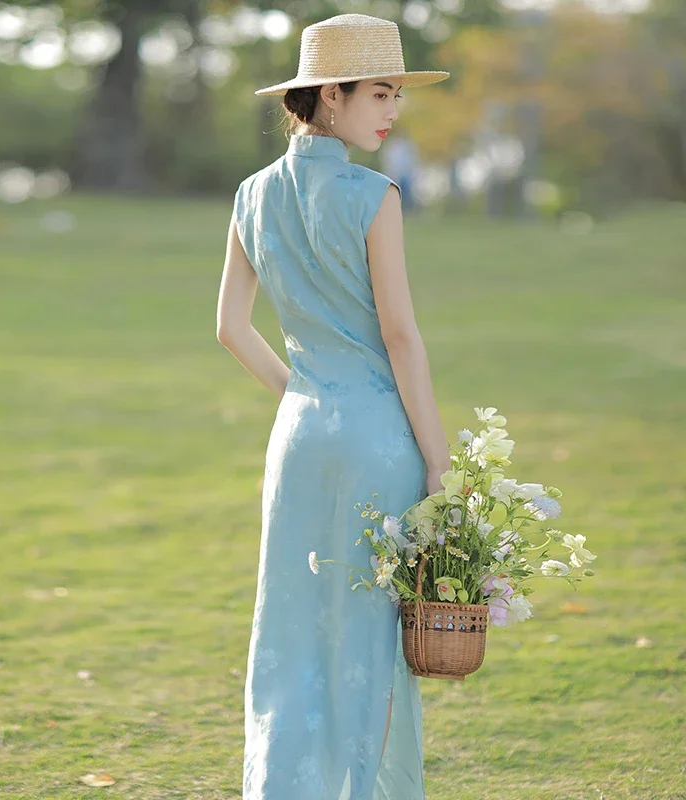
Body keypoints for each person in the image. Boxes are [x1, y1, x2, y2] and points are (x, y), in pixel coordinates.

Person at [216, 13, 451, 800]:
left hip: (300, 437)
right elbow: (401, 337)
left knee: (290, 627)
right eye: (380, 93)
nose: (390, 111)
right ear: (329, 94)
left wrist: (305, 397)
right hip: (378, 435)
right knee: (372, 637)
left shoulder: (251, 194)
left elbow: (230, 329)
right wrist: (440, 458)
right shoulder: (372, 194)